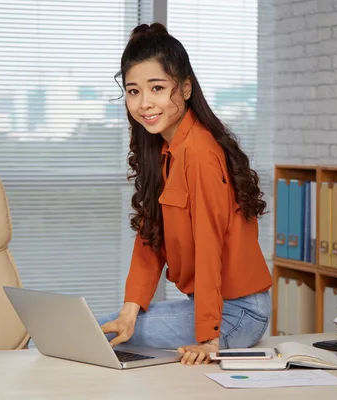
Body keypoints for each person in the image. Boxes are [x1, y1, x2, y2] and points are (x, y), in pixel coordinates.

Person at [97, 22, 272, 366]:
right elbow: (150, 240)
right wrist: (129, 312)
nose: (144, 103)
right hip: (211, 308)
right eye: (133, 91)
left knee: (89, 333)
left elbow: (210, 246)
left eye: (157, 88)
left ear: (186, 88)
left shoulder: (200, 153)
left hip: (235, 314)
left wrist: (208, 338)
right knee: (102, 328)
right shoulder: (164, 153)